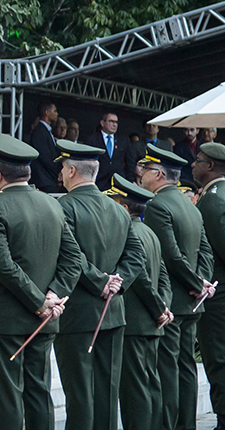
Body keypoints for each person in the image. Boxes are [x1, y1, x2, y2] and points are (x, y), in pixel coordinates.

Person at [0, 134, 81, 430]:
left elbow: (4, 266)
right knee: (38, 392)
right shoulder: (52, 205)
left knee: (6, 396)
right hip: (45, 317)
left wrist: (40, 302)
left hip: (7, 318)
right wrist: (53, 295)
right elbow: (73, 259)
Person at [54, 139, 145, 430]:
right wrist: (116, 282)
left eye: (62, 169)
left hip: (78, 314)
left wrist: (101, 281)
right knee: (107, 394)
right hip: (113, 311)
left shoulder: (63, 207)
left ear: (71, 171)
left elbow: (71, 255)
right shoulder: (118, 209)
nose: (61, 174)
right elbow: (136, 255)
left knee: (80, 394)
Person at [138, 143, 214, 430]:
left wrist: (195, 283)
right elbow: (205, 252)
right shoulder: (188, 205)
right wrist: (201, 282)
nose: (142, 174)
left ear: (159, 174)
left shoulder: (158, 205)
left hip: (173, 301)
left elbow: (169, 256)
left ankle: (169, 425)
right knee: (186, 368)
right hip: (192, 301)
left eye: (146, 169)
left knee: (168, 369)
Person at [105, 173, 172, 430]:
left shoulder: (128, 233)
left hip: (135, 321)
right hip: (152, 321)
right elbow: (163, 276)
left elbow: (140, 277)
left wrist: (158, 309)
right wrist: (163, 306)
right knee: (150, 384)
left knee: (135, 391)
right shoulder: (149, 232)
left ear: (123, 208)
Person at [193, 142, 225, 430]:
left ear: (211, 166)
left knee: (218, 357)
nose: (194, 164)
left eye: (199, 160)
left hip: (219, 295)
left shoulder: (213, 200)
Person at [85, 112, 135, 190]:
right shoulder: (92, 139)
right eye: (111, 121)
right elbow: (87, 162)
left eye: (116, 122)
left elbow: (130, 162)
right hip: (98, 184)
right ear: (102, 123)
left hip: (118, 185)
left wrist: (129, 181)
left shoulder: (124, 140)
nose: (114, 125)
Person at [28, 102, 60, 192]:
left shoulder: (46, 131)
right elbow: (45, 157)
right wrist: (56, 172)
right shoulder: (40, 131)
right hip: (44, 181)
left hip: (48, 180)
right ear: (47, 113)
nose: (57, 114)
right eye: (55, 111)